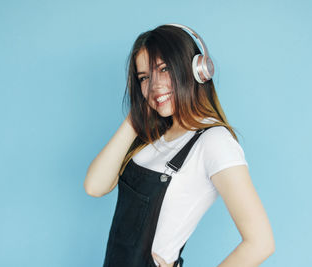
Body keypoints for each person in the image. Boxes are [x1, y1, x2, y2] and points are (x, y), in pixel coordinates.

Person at [84, 23, 275, 267]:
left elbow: (261, 243)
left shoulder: (214, 141)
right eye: (144, 77)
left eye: (163, 69)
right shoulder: (152, 136)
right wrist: (136, 117)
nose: (154, 85)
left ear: (197, 70)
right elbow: (94, 186)